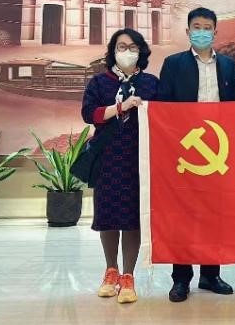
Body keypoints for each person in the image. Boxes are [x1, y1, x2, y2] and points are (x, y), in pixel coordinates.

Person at [157, 7, 235, 302]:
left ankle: (210, 274)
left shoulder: (227, 65)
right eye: (197, 27)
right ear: (188, 31)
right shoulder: (173, 63)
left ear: (215, 32)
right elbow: (163, 107)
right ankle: (181, 279)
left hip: (218, 148)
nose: (202, 32)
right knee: (183, 215)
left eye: (207, 27)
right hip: (185, 149)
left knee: (214, 214)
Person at [80, 28, 159, 305]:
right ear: (113, 51)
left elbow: (164, 116)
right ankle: (110, 270)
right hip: (108, 158)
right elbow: (89, 114)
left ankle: (128, 276)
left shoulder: (151, 83)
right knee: (108, 215)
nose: (127, 52)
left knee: (132, 217)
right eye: (121, 47)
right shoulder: (99, 82)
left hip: (138, 159)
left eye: (133, 47)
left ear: (141, 52)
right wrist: (122, 106)